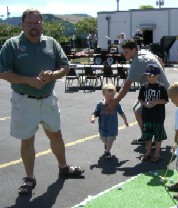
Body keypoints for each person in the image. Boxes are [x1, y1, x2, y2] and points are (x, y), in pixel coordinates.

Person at [0, 9, 84, 196]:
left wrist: (53, 74)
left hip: (48, 99)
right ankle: (29, 178)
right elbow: (3, 72)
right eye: (30, 23)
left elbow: (65, 66)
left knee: (56, 135)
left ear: (42, 24)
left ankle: (63, 167)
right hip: (24, 100)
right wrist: (28, 80)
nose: (34, 27)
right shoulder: (12, 45)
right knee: (27, 140)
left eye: (37, 23)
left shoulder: (51, 43)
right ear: (22, 25)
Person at [106, 39, 169, 145]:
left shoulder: (138, 61)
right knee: (137, 109)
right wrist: (162, 75)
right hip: (155, 88)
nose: (124, 54)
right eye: (123, 52)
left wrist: (115, 101)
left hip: (158, 91)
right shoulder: (144, 52)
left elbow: (126, 85)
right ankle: (146, 136)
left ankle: (151, 141)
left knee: (142, 112)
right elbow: (159, 59)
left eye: (126, 52)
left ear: (134, 50)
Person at [137, 64, 168, 162]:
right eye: (148, 75)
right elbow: (140, 99)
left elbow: (165, 100)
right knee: (148, 136)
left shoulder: (161, 87)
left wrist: (156, 101)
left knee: (158, 137)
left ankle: (157, 153)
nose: (150, 77)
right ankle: (148, 152)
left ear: (158, 76)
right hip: (146, 116)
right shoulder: (144, 86)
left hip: (158, 117)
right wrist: (144, 104)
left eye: (153, 75)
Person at [91, 83, 129, 159]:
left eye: (112, 96)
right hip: (103, 126)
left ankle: (107, 151)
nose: (110, 98)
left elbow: (121, 112)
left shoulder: (116, 104)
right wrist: (93, 118)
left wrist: (125, 120)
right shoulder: (100, 104)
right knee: (104, 139)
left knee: (110, 139)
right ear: (103, 95)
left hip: (112, 127)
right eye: (108, 96)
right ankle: (106, 144)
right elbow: (95, 113)